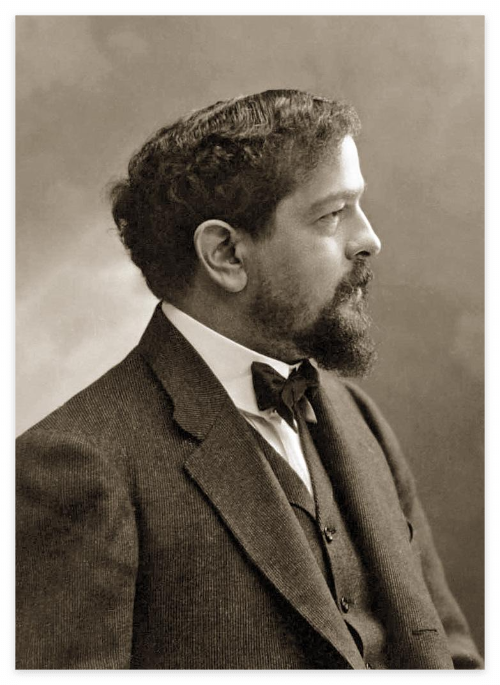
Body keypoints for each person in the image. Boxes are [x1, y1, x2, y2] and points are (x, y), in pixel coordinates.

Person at [16, 89, 482, 670]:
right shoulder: (74, 463)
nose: (369, 239)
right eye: (332, 214)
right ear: (226, 254)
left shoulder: (358, 416)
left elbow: (451, 653)